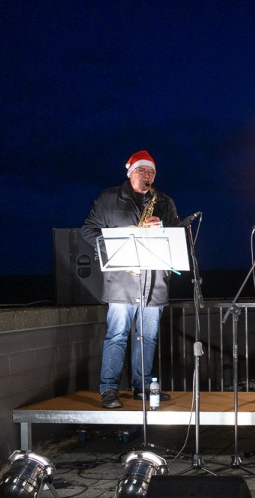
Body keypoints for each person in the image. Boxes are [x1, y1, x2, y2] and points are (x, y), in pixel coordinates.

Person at [82, 150, 181, 409]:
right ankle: (109, 389)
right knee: (116, 335)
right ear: (130, 172)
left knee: (147, 337)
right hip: (122, 280)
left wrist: (162, 229)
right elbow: (88, 230)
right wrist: (118, 240)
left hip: (154, 280)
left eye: (151, 172)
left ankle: (143, 386)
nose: (148, 176)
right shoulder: (108, 198)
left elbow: (179, 236)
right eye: (142, 170)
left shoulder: (164, 201)